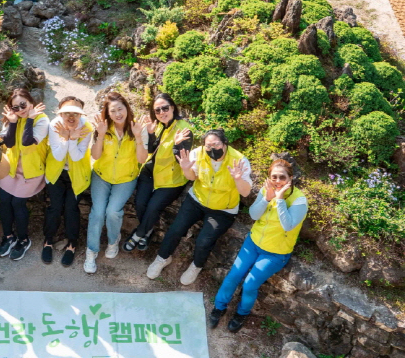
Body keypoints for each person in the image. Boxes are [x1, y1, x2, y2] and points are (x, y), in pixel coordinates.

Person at [210, 157, 307, 333]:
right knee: (234, 275)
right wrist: (266, 199)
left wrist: (279, 200)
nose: (278, 181)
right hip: (253, 243)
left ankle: (241, 313)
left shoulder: (299, 200)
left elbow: (288, 225)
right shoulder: (266, 189)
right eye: (274, 177)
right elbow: (254, 215)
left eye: (282, 177)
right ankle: (219, 307)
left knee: (249, 284)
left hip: (275, 253)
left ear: (290, 178)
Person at [146, 128, 252, 284]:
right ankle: (162, 257)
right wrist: (186, 169)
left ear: (225, 143)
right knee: (176, 229)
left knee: (204, 241)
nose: (212, 149)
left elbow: (245, 192)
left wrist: (238, 179)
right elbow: (192, 177)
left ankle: (196, 266)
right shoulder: (198, 153)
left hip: (223, 209)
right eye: (208, 146)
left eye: (216, 145)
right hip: (196, 200)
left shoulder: (239, 161)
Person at [85, 92, 147, 274]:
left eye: (120, 109)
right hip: (101, 176)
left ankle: (113, 241)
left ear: (127, 108)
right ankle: (91, 250)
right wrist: (101, 135)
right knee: (97, 213)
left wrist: (138, 137)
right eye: (113, 111)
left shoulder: (137, 128)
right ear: (108, 113)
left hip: (126, 178)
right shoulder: (103, 127)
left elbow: (142, 159)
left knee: (113, 212)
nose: (118, 114)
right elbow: (95, 156)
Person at [123, 95, 191, 252]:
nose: (161, 112)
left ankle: (138, 234)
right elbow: (152, 150)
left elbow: (182, 160)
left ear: (172, 107)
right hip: (149, 172)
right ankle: (148, 232)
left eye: (165, 108)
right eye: (157, 110)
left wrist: (177, 144)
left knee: (153, 208)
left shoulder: (184, 129)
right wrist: (150, 133)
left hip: (170, 179)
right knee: (140, 203)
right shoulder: (159, 125)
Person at [0, 88, 48, 262]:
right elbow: (9, 143)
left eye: (23, 105)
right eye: (15, 107)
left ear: (31, 102)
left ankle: (23, 239)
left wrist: (30, 119)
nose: (20, 110)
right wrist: (12, 122)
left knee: (17, 203)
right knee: (5, 200)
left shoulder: (41, 120)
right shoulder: (13, 119)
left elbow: (27, 142)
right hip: (11, 169)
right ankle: (8, 236)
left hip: (31, 172)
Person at [42, 97, 93, 268]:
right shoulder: (54, 125)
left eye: (76, 113)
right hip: (56, 172)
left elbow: (77, 156)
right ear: (60, 113)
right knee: (55, 207)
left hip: (77, 173)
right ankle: (48, 240)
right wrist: (66, 138)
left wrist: (71, 139)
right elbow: (57, 156)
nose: (71, 117)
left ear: (81, 113)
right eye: (67, 113)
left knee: (71, 208)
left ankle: (72, 243)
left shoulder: (86, 128)